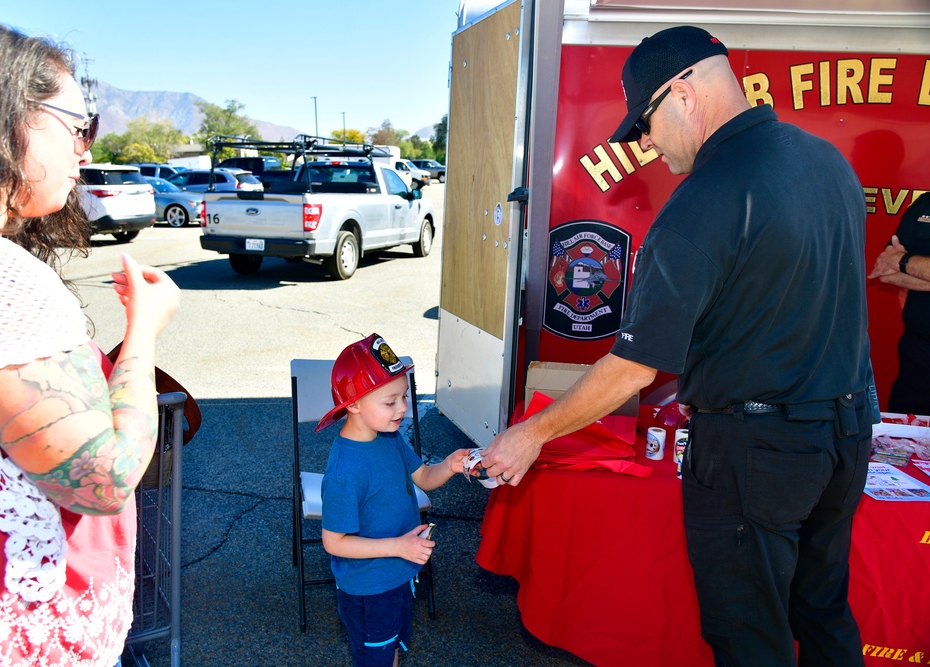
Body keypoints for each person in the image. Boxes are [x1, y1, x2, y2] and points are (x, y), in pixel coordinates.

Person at [480, 25, 872, 667]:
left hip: (759, 453)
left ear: (682, 94)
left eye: (645, 123)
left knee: (750, 637)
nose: (647, 143)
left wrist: (531, 434)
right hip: (848, 431)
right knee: (823, 609)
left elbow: (634, 366)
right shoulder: (828, 162)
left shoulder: (705, 200)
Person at [0, 22, 180, 665]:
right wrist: (144, 334)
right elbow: (103, 479)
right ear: (9, 120)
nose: (86, 151)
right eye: (78, 125)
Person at [317, 333, 470, 667]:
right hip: (370, 588)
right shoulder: (345, 472)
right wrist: (399, 547)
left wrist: (450, 464)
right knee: (376, 658)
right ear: (353, 405)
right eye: (390, 401)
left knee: (392, 650)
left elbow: (423, 478)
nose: (403, 408)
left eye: (403, 396)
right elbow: (334, 542)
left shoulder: (389, 437)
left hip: (398, 572)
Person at [869, 191, 930, 415]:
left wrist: (904, 261)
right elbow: (886, 272)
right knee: (903, 437)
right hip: (919, 355)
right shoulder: (925, 204)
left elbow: (896, 263)